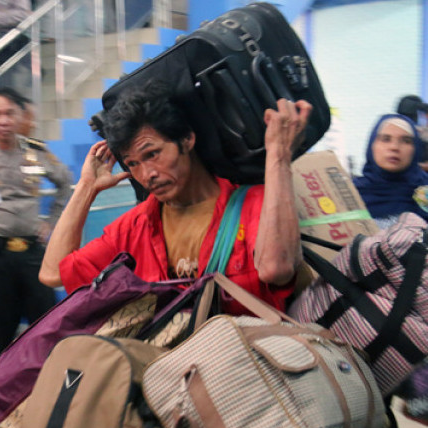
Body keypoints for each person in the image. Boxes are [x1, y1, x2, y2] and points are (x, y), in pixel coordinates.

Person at [39, 82, 311, 316]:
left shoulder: (252, 204)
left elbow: (277, 269)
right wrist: (87, 188)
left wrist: (278, 154)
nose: (147, 175)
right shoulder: (135, 227)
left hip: (249, 367)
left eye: (152, 154)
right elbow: (53, 274)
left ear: (187, 139)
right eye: (132, 163)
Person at [349, 113, 425, 428]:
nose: (395, 146)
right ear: (372, 145)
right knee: (369, 402)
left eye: (405, 140)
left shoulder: (425, 195)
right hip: (363, 321)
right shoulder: (350, 195)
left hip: (418, 322)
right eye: (385, 138)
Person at [0, 87, 71, 364]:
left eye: (9, 113)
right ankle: (1, 398)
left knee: (48, 330)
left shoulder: (36, 152)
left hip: (32, 255)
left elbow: (65, 182)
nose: (3, 121)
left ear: (20, 116)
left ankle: (45, 392)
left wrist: (51, 222)